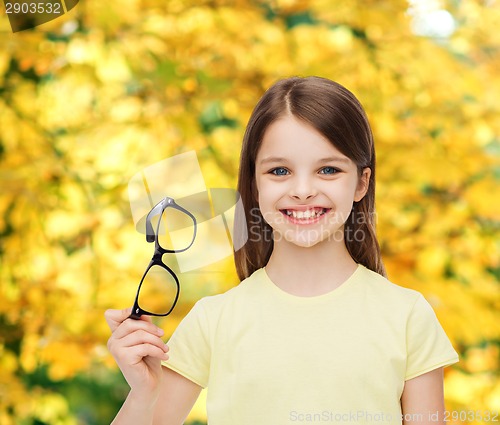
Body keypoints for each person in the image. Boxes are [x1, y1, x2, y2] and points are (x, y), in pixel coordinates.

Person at [105, 76, 459, 425]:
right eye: (279, 170)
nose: (302, 190)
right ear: (255, 183)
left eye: (328, 169)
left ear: (361, 183)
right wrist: (143, 393)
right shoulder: (212, 321)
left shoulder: (407, 317)